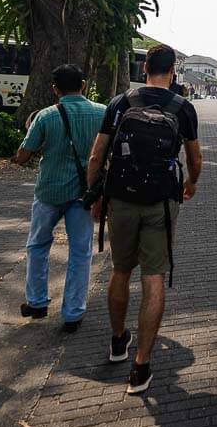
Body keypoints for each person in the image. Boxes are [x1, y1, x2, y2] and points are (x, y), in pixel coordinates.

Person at [86, 43, 202, 395]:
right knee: (153, 277)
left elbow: (97, 154)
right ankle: (140, 366)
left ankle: (119, 341)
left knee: (120, 271)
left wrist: (96, 195)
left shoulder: (120, 103)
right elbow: (194, 159)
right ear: (173, 71)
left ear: (145, 67)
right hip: (161, 203)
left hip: (121, 198)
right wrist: (191, 183)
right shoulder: (183, 108)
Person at [13, 64, 104, 332]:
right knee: (80, 252)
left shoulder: (45, 116)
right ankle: (73, 313)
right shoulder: (102, 113)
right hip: (84, 194)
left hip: (49, 192)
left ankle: (37, 302)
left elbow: (23, 155)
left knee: (38, 245)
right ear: (84, 85)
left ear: (54, 89)